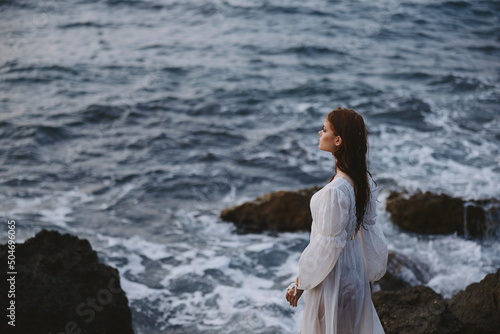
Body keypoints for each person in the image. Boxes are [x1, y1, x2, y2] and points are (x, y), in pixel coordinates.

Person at [285, 107, 388, 333]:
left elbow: (326, 246)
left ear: (338, 140)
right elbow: (368, 236)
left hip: (333, 279)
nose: (319, 134)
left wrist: (301, 283)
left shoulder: (336, 191)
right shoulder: (364, 183)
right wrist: (366, 278)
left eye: (324, 130)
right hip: (355, 275)